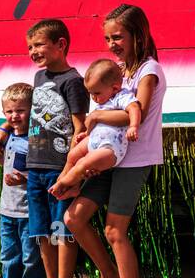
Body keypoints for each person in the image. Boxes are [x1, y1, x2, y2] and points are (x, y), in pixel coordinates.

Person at [63, 4, 166, 278]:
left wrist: (95, 117)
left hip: (133, 160)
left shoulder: (149, 71)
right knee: (73, 218)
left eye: (118, 36)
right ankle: (108, 276)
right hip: (108, 154)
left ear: (138, 34)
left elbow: (137, 114)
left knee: (114, 230)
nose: (112, 44)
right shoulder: (117, 71)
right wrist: (89, 130)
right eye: (108, 38)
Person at [0, 18, 88, 278]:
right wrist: (4, 129)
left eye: (39, 45)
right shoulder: (38, 78)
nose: (33, 51)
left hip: (58, 169)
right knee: (40, 232)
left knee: (61, 231)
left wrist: (70, 170)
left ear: (61, 45)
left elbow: (79, 127)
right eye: (30, 46)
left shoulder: (72, 81)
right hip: (35, 167)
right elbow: (24, 109)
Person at [0, 82, 48, 278]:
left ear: (32, 110)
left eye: (20, 110)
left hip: (29, 210)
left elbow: (41, 172)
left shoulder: (37, 138)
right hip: (8, 209)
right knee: (9, 254)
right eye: (9, 111)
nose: (14, 116)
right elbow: (8, 166)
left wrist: (25, 179)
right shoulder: (8, 137)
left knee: (31, 256)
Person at [50, 59, 141, 200]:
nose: (94, 98)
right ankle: (69, 181)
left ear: (115, 88)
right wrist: (87, 134)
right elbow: (96, 125)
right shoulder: (103, 100)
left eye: (96, 93)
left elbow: (134, 108)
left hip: (110, 149)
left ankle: (65, 183)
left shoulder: (121, 97)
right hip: (94, 141)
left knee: (83, 163)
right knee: (73, 155)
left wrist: (134, 126)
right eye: (90, 93)